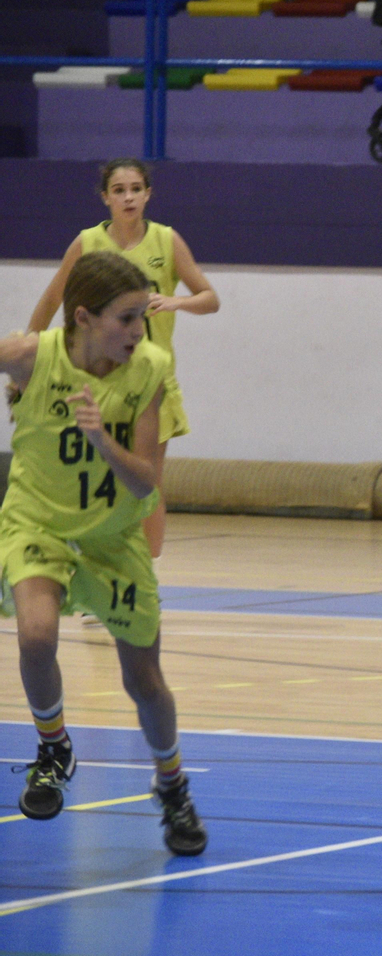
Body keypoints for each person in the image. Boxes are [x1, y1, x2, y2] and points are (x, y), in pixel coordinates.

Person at [1, 251, 208, 856]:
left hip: (113, 538)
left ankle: (171, 785)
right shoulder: (31, 355)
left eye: (143, 317)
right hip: (37, 521)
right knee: (36, 635)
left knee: (144, 681)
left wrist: (101, 439)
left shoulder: (149, 368)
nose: (138, 332)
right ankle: (54, 747)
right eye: (127, 319)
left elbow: (146, 482)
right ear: (84, 317)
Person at [28, 159, 221, 561]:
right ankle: (95, 567)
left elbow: (210, 298)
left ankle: (142, 573)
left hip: (150, 382)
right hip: (96, 380)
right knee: (93, 478)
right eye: (119, 190)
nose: (128, 197)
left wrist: (177, 301)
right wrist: (32, 359)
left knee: (147, 483)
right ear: (105, 198)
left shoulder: (166, 241)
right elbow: (50, 300)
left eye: (136, 188)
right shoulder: (87, 243)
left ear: (148, 194)